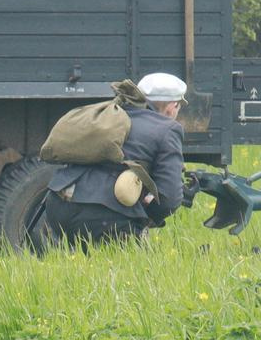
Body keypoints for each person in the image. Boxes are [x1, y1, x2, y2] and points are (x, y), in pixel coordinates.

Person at [38, 72, 189, 245]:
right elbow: (168, 200)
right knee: (137, 269)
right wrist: (146, 214)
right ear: (172, 106)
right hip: (104, 215)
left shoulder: (111, 115)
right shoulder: (168, 129)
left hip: (58, 206)